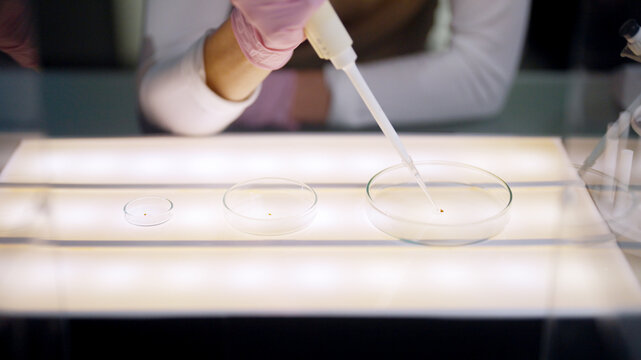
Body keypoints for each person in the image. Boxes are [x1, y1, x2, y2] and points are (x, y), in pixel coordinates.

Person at [138, 0, 531, 135]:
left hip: (395, 122)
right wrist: (251, 44)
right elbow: (167, 106)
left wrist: (282, 98)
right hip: (221, 143)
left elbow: (481, 75)